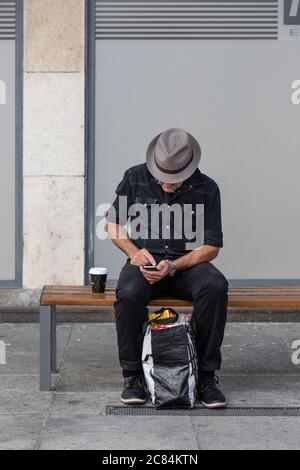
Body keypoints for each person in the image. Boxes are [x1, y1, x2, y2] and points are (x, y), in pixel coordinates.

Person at [106, 128, 228, 408]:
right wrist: (135, 253)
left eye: (173, 178)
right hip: (145, 264)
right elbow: (111, 225)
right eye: (162, 175)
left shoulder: (208, 188)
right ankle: (133, 376)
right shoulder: (134, 177)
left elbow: (211, 247)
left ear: (189, 169)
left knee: (215, 286)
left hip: (186, 266)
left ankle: (207, 377)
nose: (166, 182)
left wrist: (173, 265)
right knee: (127, 292)